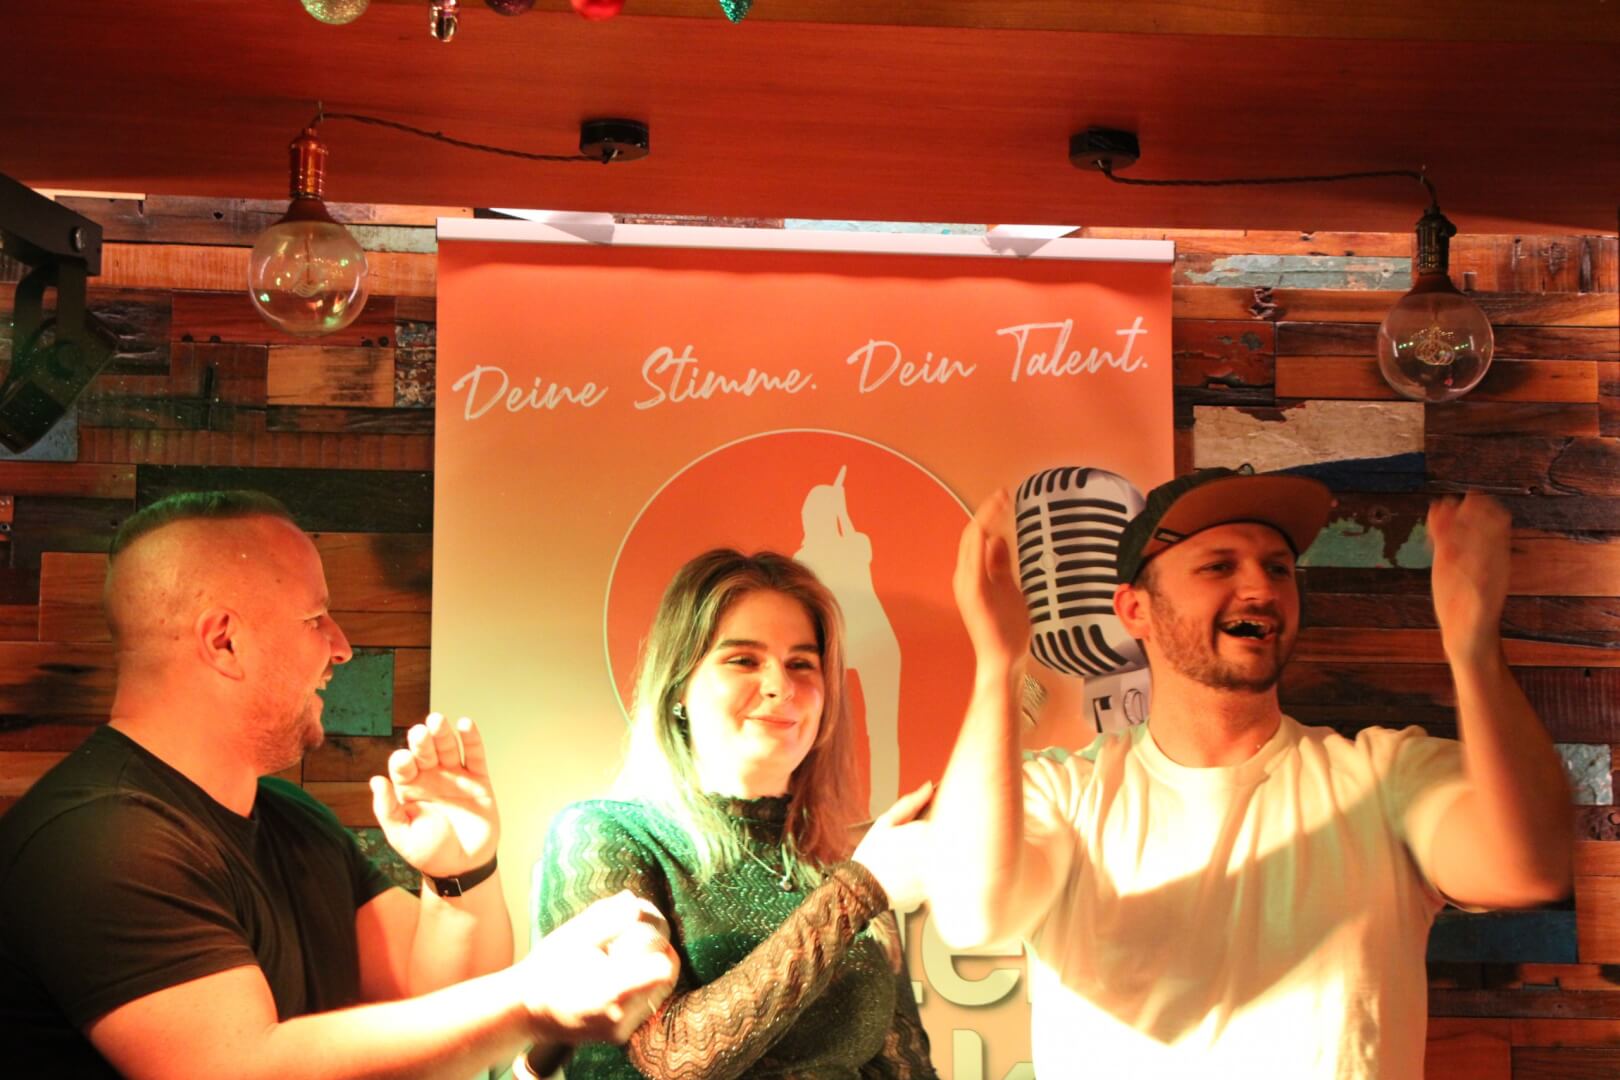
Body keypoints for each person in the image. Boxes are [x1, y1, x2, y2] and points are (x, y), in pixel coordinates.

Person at [0, 490, 677, 1079]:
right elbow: (235, 1068)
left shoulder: (292, 818)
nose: (342, 646)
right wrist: (527, 1000)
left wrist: (459, 873)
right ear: (224, 641)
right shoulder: (94, 842)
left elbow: (433, 1009)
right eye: (315, 618)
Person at [927, 467, 1574, 1077]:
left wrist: (1473, 648)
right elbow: (972, 914)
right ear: (1134, 610)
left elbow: (1524, 867)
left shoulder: (1387, 775)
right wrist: (997, 666)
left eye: (1278, 568)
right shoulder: (1066, 793)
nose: (1262, 590)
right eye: (1219, 566)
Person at [532, 548, 937, 1078]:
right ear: (678, 686)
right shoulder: (604, 834)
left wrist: (859, 885)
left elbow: (906, 1066)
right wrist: (856, 892)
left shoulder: (844, 863)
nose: (780, 686)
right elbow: (669, 1058)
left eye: (801, 664)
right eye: (744, 659)